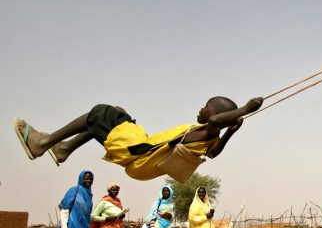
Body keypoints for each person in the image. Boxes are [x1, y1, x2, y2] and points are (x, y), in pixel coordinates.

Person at [13, 96, 263, 180]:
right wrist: (231, 133)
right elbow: (213, 153)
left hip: (140, 154)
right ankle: (64, 149)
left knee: (99, 113)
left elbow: (215, 123)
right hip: (145, 151)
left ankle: (42, 144)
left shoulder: (208, 129)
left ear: (218, 114)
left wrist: (245, 109)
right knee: (118, 115)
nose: (201, 109)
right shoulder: (208, 138)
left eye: (206, 106)